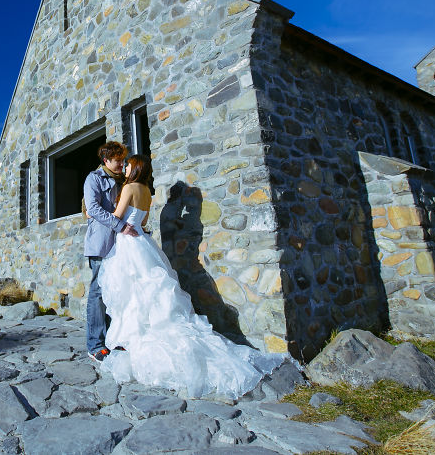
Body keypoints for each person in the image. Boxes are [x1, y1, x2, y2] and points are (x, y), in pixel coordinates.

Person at [98, 154, 294, 399]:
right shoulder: (146, 191)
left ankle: (137, 342)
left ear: (135, 168)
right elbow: (144, 220)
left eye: (127, 165)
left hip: (129, 243)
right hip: (143, 243)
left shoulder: (129, 188)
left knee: (134, 294)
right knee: (150, 293)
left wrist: (97, 212)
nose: (125, 168)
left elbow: (117, 217)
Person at [83, 141, 140, 363]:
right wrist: (120, 226)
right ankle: (95, 345)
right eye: (117, 161)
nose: (121, 164)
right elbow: (93, 209)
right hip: (101, 243)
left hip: (121, 245)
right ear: (106, 160)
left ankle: (113, 338)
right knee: (98, 294)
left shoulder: (122, 180)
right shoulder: (94, 179)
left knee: (116, 290)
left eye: (123, 160)